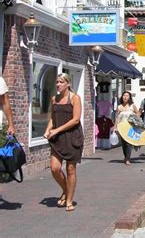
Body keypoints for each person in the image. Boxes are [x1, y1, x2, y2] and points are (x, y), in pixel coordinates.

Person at [44, 73, 83, 212]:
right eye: (57, 82)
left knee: (71, 169)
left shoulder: (75, 98)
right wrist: (48, 130)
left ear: (68, 84)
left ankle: (69, 199)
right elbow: (53, 118)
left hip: (72, 137)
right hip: (57, 138)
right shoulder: (54, 98)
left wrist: (57, 130)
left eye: (61, 82)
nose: (58, 85)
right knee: (54, 168)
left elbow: (76, 120)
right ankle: (66, 190)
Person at [112, 91, 139, 165]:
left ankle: (128, 159)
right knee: (123, 143)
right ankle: (126, 156)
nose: (125, 97)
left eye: (127, 96)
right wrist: (115, 128)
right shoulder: (119, 107)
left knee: (128, 143)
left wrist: (136, 121)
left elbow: (138, 113)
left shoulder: (132, 106)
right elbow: (117, 118)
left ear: (129, 97)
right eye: (124, 95)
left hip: (130, 127)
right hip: (122, 128)